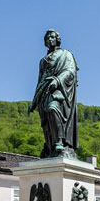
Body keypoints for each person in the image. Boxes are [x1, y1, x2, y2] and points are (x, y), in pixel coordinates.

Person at [28, 29, 79, 159]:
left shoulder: (66, 54)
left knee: (53, 108)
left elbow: (70, 71)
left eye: (51, 37)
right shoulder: (42, 61)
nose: (49, 40)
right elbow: (39, 81)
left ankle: (60, 141)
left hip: (59, 90)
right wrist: (34, 102)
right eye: (47, 38)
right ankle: (50, 146)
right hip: (44, 92)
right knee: (46, 122)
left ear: (57, 39)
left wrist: (57, 80)